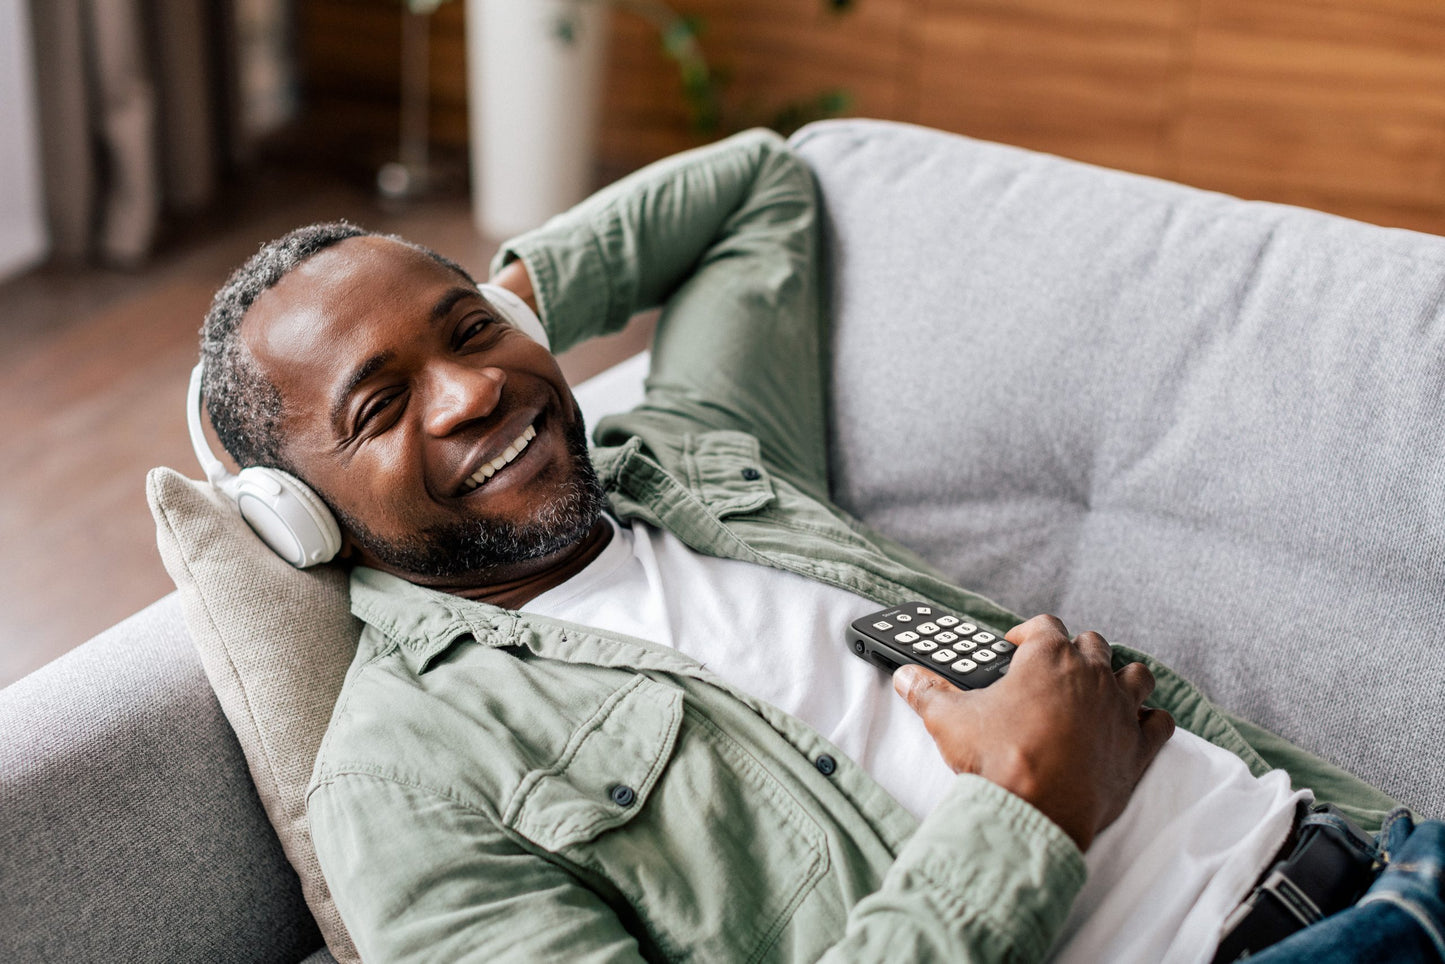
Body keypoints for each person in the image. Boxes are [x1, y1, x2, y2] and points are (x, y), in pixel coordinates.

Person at [198, 129, 1440, 963]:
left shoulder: (690, 455)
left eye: (470, 332)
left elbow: (759, 184)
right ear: (293, 513)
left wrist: (519, 287)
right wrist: (1025, 810)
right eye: (379, 406)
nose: (469, 395)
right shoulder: (406, 781)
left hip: (1378, 850)